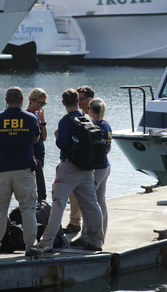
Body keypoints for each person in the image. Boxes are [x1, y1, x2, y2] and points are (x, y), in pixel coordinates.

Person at [39, 89, 104, 253]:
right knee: (91, 205)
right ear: (78, 102)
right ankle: (96, 241)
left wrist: (58, 135)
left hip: (69, 168)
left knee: (58, 204)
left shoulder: (65, 121)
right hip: (88, 169)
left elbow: (61, 143)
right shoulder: (87, 118)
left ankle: (46, 242)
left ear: (63, 103)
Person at [0, 87, 41, 256]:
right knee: (28, 208)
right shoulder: (31, 118)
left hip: (2, 169)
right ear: (22, 101)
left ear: (6, 101)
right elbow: (36, 138)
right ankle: (30, 246)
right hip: (24, 169)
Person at [71, 98, 111, 247]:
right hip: (105, 167)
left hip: (96, 169)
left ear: (91, 110)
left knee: (89, 203)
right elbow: (107, 148)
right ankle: (101, 233)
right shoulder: (106, 124)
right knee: (100, 202)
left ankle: (87, 236)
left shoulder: (94, 125)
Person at [64, 85, 94, 234]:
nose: (80, 102)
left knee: (92, 199)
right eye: (78, 99)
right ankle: (75, 222)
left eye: (82, 99)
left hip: (91, 163)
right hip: (78, 161)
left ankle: (89, 230)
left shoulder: (94, 115)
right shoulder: (77, 116)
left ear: (90, 99)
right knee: (74, 195)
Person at [26, 88, 48, 202]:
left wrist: (42, 121)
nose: (41, 106)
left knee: (38, 186)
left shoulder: (37, 116)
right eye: (40, 103)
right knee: (31, 189)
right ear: (32, 100)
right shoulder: (26, 116)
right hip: (31, 157)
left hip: (40, 155)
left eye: (44, 103)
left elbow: (44, 138)